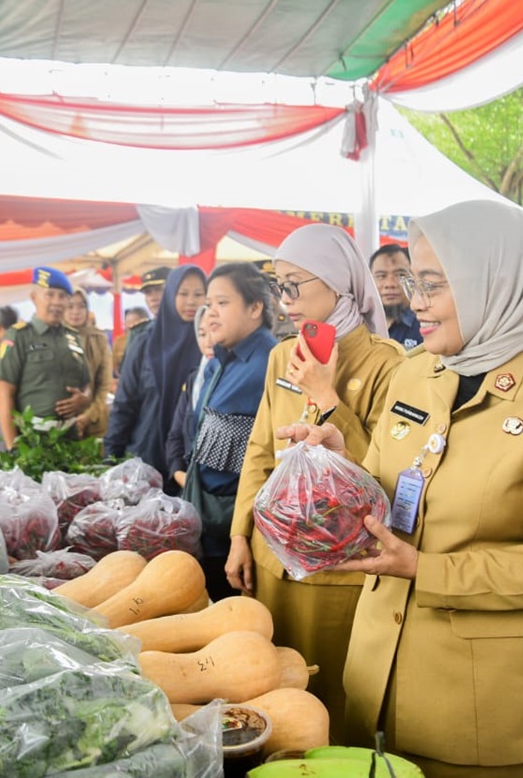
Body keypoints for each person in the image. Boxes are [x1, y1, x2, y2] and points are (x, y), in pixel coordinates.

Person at [288, 201, 523, 776]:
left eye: (434, 284)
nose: (415, 300)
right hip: (377, 679)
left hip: (485, 710)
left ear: (497, 283)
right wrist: (345, 460)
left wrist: (421, 567)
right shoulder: (419, 370)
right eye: (413, 281)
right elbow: (399, 486)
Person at [226, 224, 404, 740]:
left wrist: (328, 398)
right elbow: (260, 448)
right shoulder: (283, 356)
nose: (286, 302)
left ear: (338, 283)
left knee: (332, 701)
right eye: (280, 286)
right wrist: (241, 535)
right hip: (271, 558)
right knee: (271, 691)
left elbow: (384, 470)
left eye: (295, 285)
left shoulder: (385, 364)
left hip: (339, 569)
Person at [182, 265, 277, 599]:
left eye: (222, 303)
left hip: (240, 534)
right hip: (209, 523)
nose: (210, 314)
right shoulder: (220, 361)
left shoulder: (270, 362)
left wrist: (243, 535)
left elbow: (269, 460)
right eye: (209, 304)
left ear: (255, 308)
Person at [105, 265, 207, 483]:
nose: (191, 302)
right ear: (171, 295)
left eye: (199, 294)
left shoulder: (212, 344)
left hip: (192, 463)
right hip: (146, 456)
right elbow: (125, 403)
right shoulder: (145, 342)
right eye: (183, 294)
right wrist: (111, 457)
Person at [0, 267, 93, 450]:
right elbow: (4, 394)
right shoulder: (18, 336)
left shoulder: (73, 337)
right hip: (32, 441)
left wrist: (84, 398)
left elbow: (86, 382)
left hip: (70, 439)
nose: (56, 302)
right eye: (50, 295)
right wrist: (13, 447)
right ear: (34, 297)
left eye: (62, 296)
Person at [166, 306, 213, 490]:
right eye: (201, 334)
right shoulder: (195, 380)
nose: (208, 343)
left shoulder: (237, 381)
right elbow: (175, 435)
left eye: (214, 331)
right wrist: (179, 473)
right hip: (188, 486)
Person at [65, 287, 114, 438]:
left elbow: (104, 383)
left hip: (95, 423)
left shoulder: (98, 338)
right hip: (61, 421)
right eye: (70, 306)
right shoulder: (53, 338)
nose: (76, 311)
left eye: (81, 306)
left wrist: (88, 416)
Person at [371, 244, 423, 350]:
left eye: (400, 275)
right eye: (381, 276)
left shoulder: (427, 324)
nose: (390, 284)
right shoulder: (360, 325)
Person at [112, 306, 150, 378]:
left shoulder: (152, 341)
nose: (130, 326)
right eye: (127, 323)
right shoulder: (119, 341)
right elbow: (114, 365)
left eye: (134, 324)